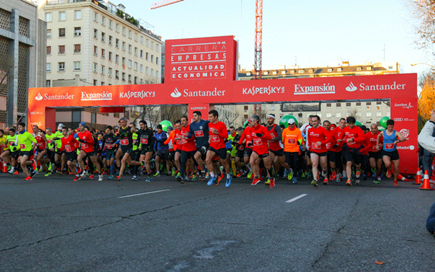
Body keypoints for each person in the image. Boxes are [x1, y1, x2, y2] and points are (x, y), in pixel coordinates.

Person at [240, 115, 273, 187]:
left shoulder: (262, 128)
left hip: (263, 149)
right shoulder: (251, 129)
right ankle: (256, 177)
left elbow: (269, 137)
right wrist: (250, 142)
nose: (250, 122)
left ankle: (271, 178)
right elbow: (253, 138)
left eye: (251, 121)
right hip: (256, 149)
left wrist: (261, 135)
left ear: (255, 121)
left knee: (268, 166)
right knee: (251, 162)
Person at [205, 110, 232, 187]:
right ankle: (213, 176)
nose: (209, 118)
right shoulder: (209, 124)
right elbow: (210, 134)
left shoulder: (222, 124)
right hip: (213, 146)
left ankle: (228, 176)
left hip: (221, 146)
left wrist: (217, 133)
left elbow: (226, 136)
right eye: (209, 116)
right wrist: (210, 139)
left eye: (211, 117)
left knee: (224, 162)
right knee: (207, 160)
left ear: (215, 117)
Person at [377, 119, 406, 186]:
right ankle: (388, 170)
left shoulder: (396, 132)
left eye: (392, 127)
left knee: (396, 168)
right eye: (389, 127)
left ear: (393, 126)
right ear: (387, 126)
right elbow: (378, 136)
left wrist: (398, 141)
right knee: (387, 164)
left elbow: (404, 138)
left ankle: (395, 180)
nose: (390, 128)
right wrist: (377, 144)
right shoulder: (383, 132)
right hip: (385, 152)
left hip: (394, 152)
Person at [307, 115, 332, 187]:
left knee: (324, 165)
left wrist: (322, 142)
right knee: (314, 164)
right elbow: (309, 138)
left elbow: (329, 138)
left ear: (318, 121)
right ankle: (315, 179)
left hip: (322, 150)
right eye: (312, 121)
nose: (314, 123)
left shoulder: (322, 129)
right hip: (313, 149)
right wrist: (309, 145)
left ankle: (325, 176)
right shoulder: (310, 130)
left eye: (315, 121)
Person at [341, 117, 366, 186]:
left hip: (357, 149)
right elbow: (341, 137)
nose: (351, 125)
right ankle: (348, 180)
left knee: (357, 165)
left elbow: (362, 138)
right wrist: (340, 140)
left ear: (354, 123)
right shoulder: (345, 129)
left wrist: (353, 139)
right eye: (349, 124)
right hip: (348, 149)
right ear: (347, 123)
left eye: (352, 124)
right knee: (348, 163)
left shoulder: (358, 129)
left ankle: (357, 174)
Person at [188, 111, 209, 179]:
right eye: (193, 115)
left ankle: (203, 171)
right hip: (198, 145)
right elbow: (191, 135)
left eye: (196, 115)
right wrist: (187, 135)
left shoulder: (205, 123)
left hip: (205, 144)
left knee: (196, 156)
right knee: (205, 160)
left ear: (200, 116)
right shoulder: (192, 125)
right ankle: (212, 173)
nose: (194, 117)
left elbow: (213, 125)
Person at [282, 119, 304, 184]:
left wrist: (299, 142)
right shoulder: (285, 130)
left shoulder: (297, 130)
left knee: (295, 163)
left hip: (295, 149)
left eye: (292, 124)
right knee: (286, 163)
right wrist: (282, 140)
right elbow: (283, 138)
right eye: (289, 124)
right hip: (287, 149)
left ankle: (294, 176)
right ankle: (289, 171)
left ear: (294, 123)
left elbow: (300, 139)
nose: (291, 125)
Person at [266, 114, 285, 183]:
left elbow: (280, 137)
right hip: (271, 148)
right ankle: (269, 178)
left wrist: (273, 138)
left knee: (282, 163)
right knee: (268, 162)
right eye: (268, 119)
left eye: (270, 118)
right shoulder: (266, 127)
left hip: (279, 148)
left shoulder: (276, 127)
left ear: (273, 119)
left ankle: (289, 170)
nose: (268, 120)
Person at [115, 117, 134, 182]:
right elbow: (118, 136)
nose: (122, 124)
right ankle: (141, 164)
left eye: (123, 122)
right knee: (129, 162)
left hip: (128, 147)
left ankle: (119, 176)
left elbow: (137, 132)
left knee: (123, 161)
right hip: (122, 147)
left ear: (126, 122)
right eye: (121, 122)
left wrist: (133, 128)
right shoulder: (120, 129)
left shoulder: (130, 129)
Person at [418, 110, 435, 179]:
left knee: (426, 163)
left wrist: (432, 119)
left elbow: (422, 138)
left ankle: (427, 178)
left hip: (428, 148)